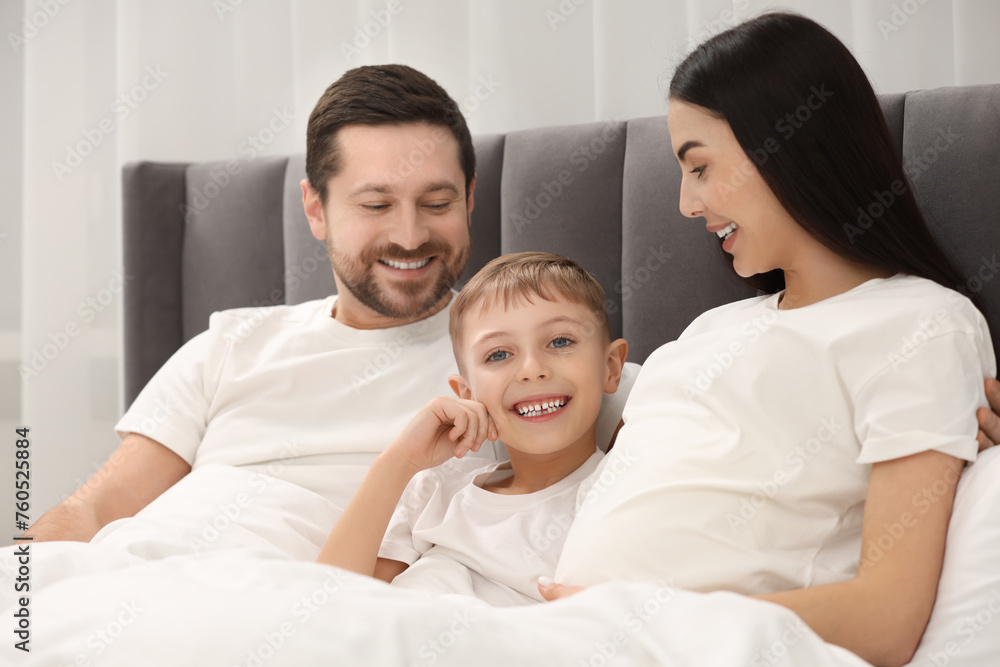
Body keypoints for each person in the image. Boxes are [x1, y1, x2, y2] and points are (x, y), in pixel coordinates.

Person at [541, 12, 997, 667]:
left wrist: (646, 621)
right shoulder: (707, 331)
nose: (685, 205)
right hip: (561, 632)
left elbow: (886, 616)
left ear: (788, 145)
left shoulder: (919, 323)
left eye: (699, 167)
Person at [23, 64, 482, 541]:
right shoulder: (227, 346)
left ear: (469, 200)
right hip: (157, 581)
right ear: (315, 210)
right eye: (375, 205)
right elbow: (90, 514)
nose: (410, 237)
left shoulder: (520, 357)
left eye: (436, 204)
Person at [317, 252, 628, 606]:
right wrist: (399, 461)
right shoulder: (439, 488)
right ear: (467, 394)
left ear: (611, 367)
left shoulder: (619, 497)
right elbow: (332, 599)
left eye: (560, 341)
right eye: (498, 354)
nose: (532, 369)